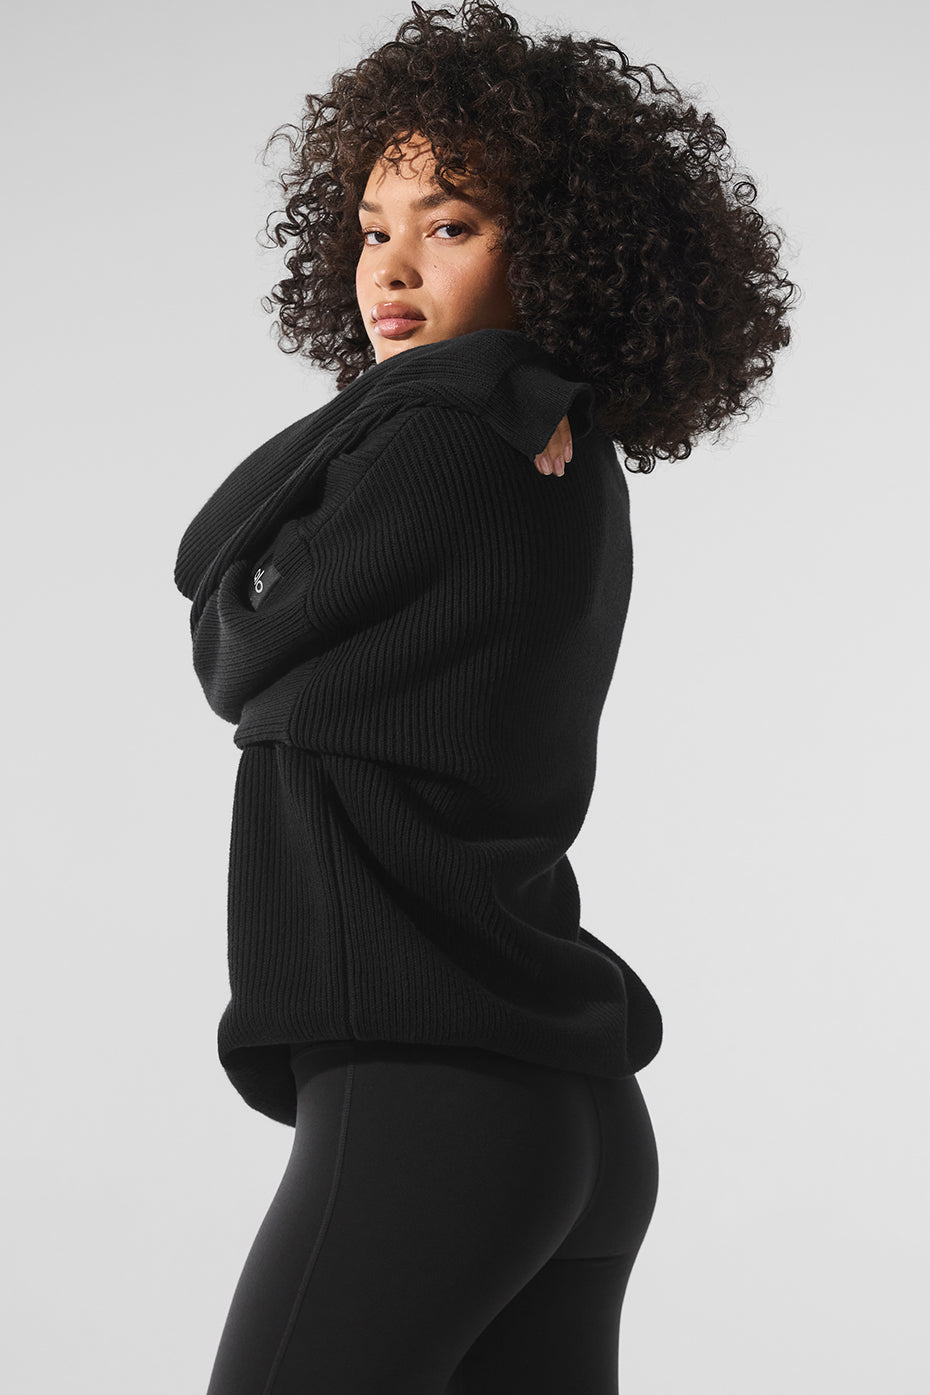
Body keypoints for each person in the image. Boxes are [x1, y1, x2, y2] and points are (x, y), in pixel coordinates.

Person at [174, 3, 798, 1391]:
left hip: (430, 1099)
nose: (390, 270)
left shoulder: (452, 444)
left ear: (554, 250)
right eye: (371, 229)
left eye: (450, 225)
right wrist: (487, 371)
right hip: (556, 1106)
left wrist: (456, 380)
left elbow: (223, 622)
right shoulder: (526, 445)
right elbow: (222, 568)